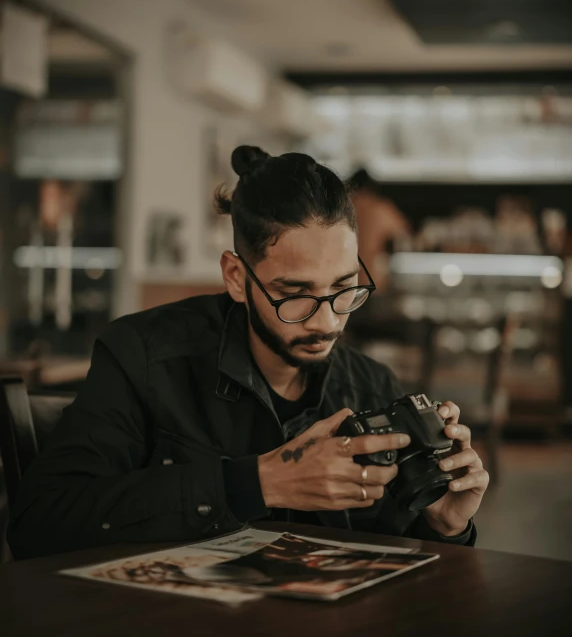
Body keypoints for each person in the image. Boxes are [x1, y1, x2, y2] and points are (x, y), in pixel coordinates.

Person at [8, 147, 487, 559]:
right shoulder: (143, 357)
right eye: (295, 293)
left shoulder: (372, 384)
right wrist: (257, 484)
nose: (327, 321)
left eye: (344, 288)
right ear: (237, 278)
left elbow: (397, 564)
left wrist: (444, 527)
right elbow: (38, 523)